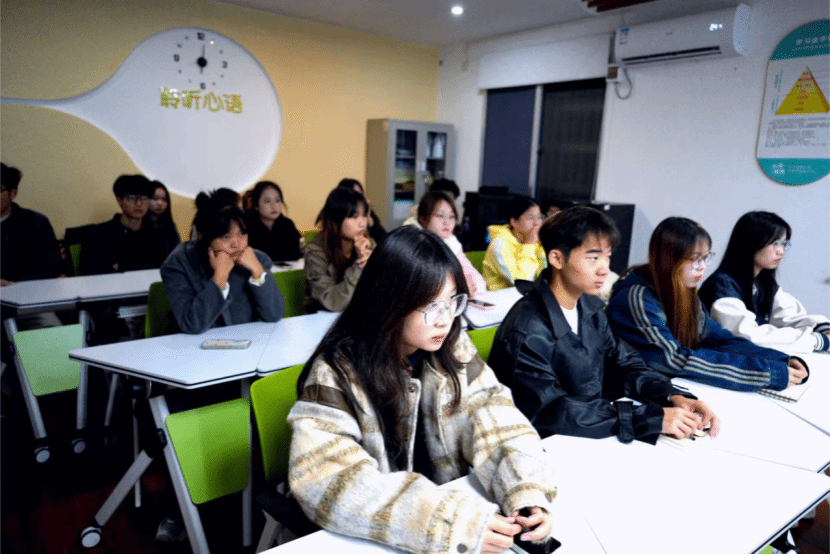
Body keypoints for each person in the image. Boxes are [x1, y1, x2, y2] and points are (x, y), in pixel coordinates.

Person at [288, 226, 556, 554]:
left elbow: (492, 410)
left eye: (453, 301)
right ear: (389, 302)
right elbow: (325, 478)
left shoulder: (451, 346)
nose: (446, 319)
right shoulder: (337, 371)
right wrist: (445, 521)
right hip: (374, 538)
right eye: (431, 306)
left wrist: (525, 490)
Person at [490, 206, 720, 444]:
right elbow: (553, 411)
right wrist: (648, 418)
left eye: (607, 256)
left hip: (586, 436)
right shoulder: (528, 329)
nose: (605, 269)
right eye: (593, 257)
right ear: (557, 258)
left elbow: (626, 363)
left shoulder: (589, 308)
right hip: (545, 445)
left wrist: (671, 396)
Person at [605, 216, 808, 392]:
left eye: (706, 258)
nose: (702, 267)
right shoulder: (637, 297)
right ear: (669, 260)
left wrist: (780, 360)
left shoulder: (684, 290)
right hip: (627, 393)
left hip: (663, 387)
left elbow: (719, 338)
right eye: (695, 259)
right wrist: (766, 373)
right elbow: (673, 359)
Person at [699, 211, 830, 354]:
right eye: (776, 243)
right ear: (751, 242)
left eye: (784, 244)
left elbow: (791, 317)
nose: (781, 251)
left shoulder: (763, 283)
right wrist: (817, 341)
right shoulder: (722, 285)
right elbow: (748, 336)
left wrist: (824, 329)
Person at [160, 190, 284, 334]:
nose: (236, 244)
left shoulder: (256, 259)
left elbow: (274, 315)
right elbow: (191, 324)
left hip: (244, 342)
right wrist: (220, 278)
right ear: (202, 237)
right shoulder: (179, 263)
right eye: (226, 237)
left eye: (242, 234)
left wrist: (257, 271)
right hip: (191, 345)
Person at [304, 188, 374, 312]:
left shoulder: (369, 244)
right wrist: (359, 265)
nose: (362, 223)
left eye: (364, 215)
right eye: (354, 217)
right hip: (324, 317)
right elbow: (332, 302)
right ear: (336, 219)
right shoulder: (316, 251)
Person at [406, 191, 486, 296]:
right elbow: (424, 289)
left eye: (452, 217)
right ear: (423, 218)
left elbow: (479, 282)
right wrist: (460, 287)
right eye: (440, 216)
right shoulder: (411, 243)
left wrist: (470, 287)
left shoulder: (451, 243)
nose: (447, 222)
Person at [80, 174, 161, 275]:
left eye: (144, 198)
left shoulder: (158, 234)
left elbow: (166, 269)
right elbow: (90, 273)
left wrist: (121, 266)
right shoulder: (98, 234)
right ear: (119, 200)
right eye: (132, 197)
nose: (139, 203)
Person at [0, 162, 62, 285]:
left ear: (13, 193)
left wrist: (16, 284)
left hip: (28, 291)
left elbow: (53, 267)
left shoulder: (36, 223)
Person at [482, 195, 546, 290]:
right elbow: (523, 282)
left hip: (528, 295)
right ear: (514, 222)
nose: (537, 223)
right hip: (502, 297)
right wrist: (529, 245)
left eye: (539, 217)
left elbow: (545, 277)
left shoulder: (536, 242)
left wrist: (543, 248)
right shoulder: (499, 245)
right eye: (531, 218)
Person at [244, 181, 303, 262]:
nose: (274, 206)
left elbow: (296, 254)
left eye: (277, 200)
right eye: (267, 201)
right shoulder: (246, 225)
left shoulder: (287, 224)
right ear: (256, 205)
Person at [336, 178, 386, 243]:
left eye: (361, 194)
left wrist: (369, 217)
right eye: (354, 216)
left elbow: (384, 239)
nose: (361, 199)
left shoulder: (368, 212)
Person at [145, 180, 181, 266]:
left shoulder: (170, 227)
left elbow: (178, 254)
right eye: (155, 198)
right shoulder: (139, 225)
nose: (160, 203)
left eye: (164, 199)